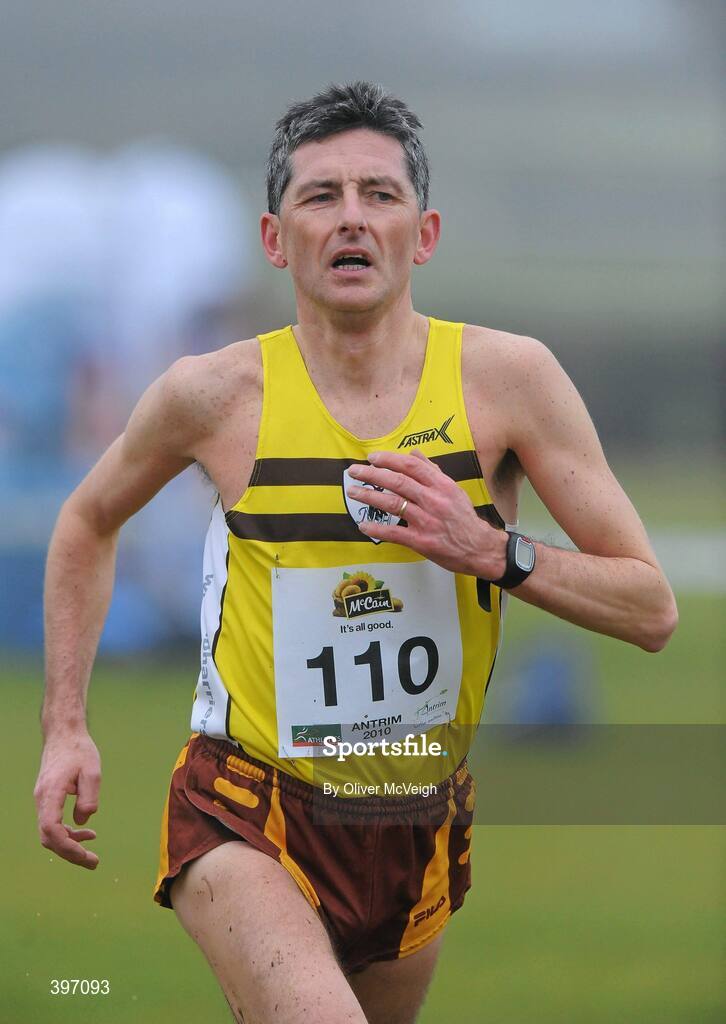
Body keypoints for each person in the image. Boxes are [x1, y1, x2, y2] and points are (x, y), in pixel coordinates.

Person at [34, 81, 678, 1024]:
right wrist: (65, 726)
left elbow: (651, 607)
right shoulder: (214, 396)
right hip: (248, 809)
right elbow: (85, 521)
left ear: (424, 234)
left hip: (416, 825)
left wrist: (493, 550)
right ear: (274, 237)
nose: (352, 221)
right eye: (321, 197)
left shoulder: (509, 383)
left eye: (380, 195)